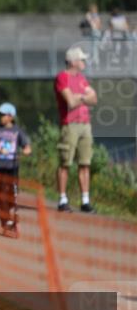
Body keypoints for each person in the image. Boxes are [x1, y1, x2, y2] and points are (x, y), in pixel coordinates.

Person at [54, 46, 98, 213]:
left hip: (85, 124)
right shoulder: (62, 78)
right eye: (82, 59)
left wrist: (79, 97)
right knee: (65, 162)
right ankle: (63, 199)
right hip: (70, 124)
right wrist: (83, 97)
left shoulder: (81, 78)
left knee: (85, 163)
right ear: (73, 61)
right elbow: (70, 103)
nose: (84, 62)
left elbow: (94, 99)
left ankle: (85, 201)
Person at [0, 102, 32, 238]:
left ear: (11, 116)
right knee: (0, 194)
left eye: (3, 115)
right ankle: (5, 221)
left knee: (12, 194)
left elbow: (26, 146)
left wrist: (26, 150)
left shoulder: (17, 131)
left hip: (13, 167)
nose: (0, 117)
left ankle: (11, 215)